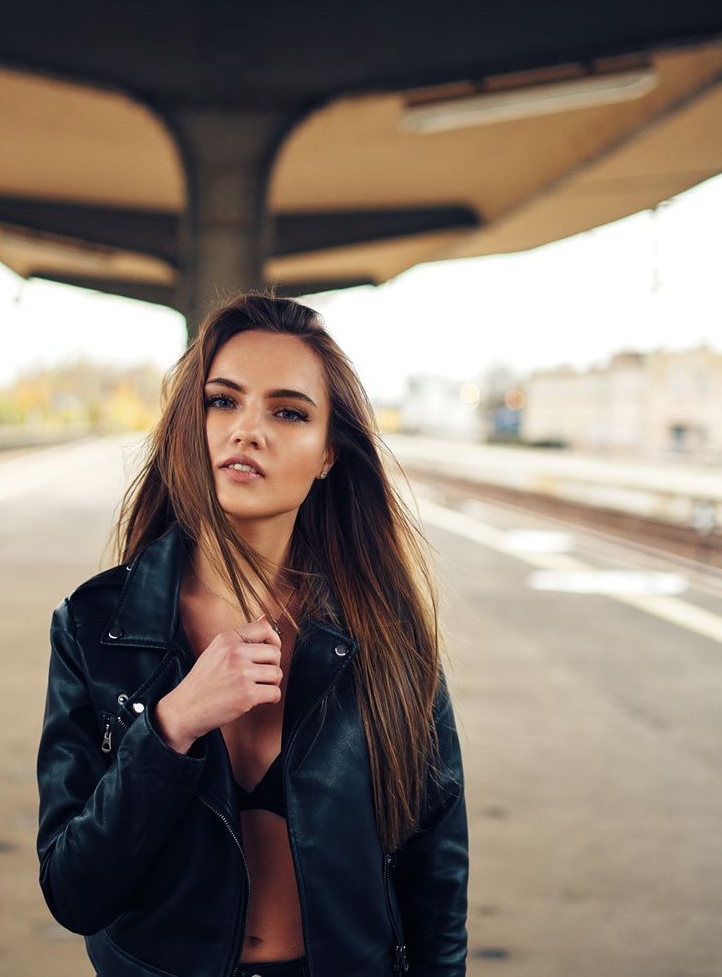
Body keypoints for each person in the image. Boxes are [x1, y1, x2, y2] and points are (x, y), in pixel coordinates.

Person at [37, 293, 468, 977]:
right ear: (189, 425)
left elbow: (434, 869)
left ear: (329, 454)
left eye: (288, 412)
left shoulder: (384, 631)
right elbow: (74, 891)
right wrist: (172, 724)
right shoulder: (95, 629)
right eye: (222, 401)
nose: (247, 431)